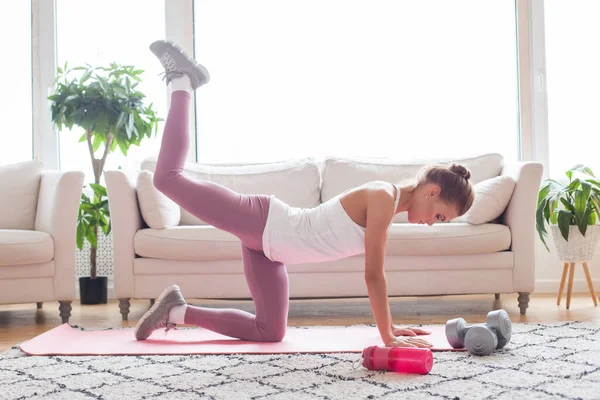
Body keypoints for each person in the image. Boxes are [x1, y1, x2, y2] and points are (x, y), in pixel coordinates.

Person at [134, 40, 475, 349]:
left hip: (270, 250)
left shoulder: (390, 206)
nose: (433, 223)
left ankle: (176, 311)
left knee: (270, 331)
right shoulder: (384, 198)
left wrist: (391, 328)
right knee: (167, 178)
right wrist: (387, 335)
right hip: (264, 222)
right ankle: (183, 81)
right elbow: (373, 275)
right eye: (440, 215)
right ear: (432, 192)